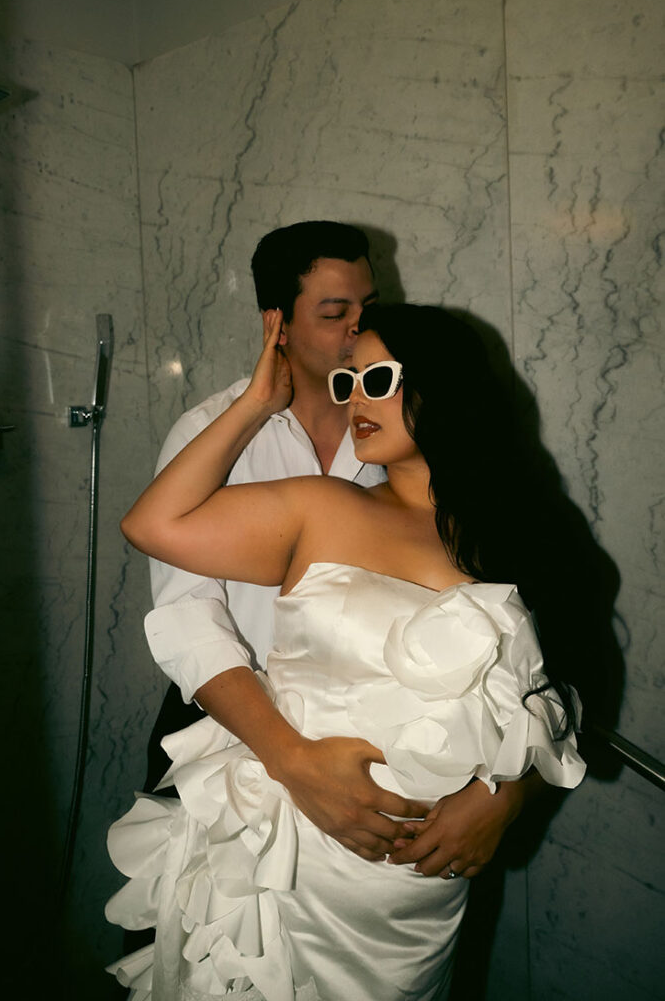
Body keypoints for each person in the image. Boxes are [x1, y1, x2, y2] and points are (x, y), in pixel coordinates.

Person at [106, 303, 586, 1001]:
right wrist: (254, 404)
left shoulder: (523, 531)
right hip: (290, 865)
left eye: (378, 378)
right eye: (348, 380)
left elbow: (565, 697)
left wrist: (506, 799)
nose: (356, 396)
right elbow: (152, 523)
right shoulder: (324, 507)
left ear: (443, 385)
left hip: (413, 900)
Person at [141, 221, 535, 870]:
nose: (357, 329)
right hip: (236, 736)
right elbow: (186, 616)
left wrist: (509, 790)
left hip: (393, 782)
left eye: (368, 310)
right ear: (280, 325)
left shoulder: (414, 437)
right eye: (335, 313)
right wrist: (289, 757)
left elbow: (526, 643)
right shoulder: (209, 432)